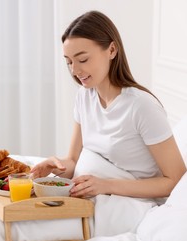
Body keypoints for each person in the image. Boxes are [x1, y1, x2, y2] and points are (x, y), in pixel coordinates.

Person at [31, 10, 186, 200]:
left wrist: (105, 185)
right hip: (90, 195)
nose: (75, 70)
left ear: (112, 50)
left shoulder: (142, 107)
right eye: (69, 62)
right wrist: (57, 168)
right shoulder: (84, 97)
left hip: (130, 203)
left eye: (82, 60)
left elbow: (176, 180)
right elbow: (73, 160)